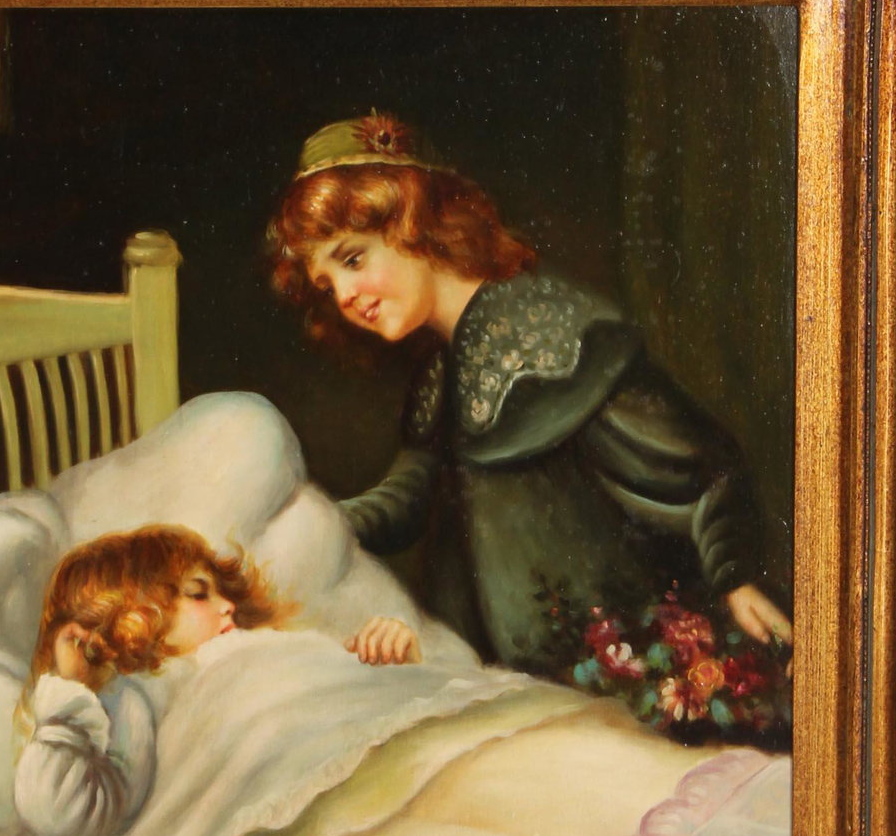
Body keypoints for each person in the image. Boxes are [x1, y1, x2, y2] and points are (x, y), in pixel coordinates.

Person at [265, 111, 793, 678]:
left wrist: (736, 576)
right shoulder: (441, 373)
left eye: (352, 259)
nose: (344, 295)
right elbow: (406, 498)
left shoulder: (557, 334)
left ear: (415, 224)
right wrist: (292, 527)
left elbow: (704, 465)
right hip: (519, 679)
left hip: (628, 668)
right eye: (328, 285)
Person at [14, 523, 421, 836]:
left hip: (381, 762)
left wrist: (386, 655)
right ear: (131, 621)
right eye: (197, 594)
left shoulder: (235, 654)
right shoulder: (137, 695)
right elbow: (63, 811)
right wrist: (68, 696)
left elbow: (331, 699)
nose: (228, 605)